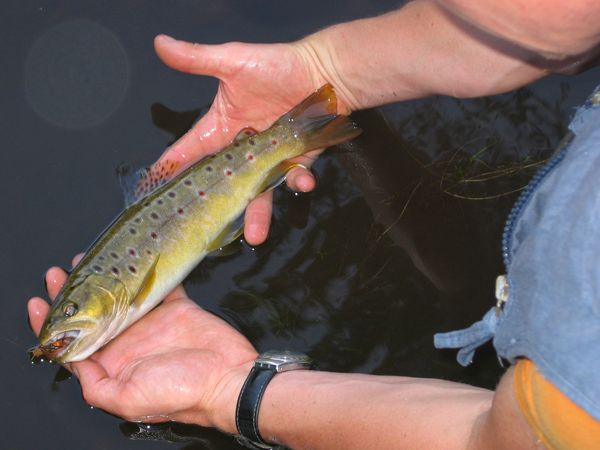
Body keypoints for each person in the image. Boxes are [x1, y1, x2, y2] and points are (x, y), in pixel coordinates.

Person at [28, 0, 600, 448]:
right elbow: (550, 18)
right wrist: (330, 70)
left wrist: (228, 395)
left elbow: (494, 440)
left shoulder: (578, 353)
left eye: (74, 312)